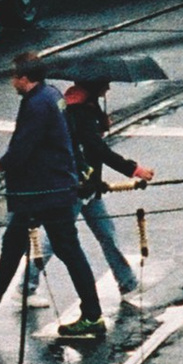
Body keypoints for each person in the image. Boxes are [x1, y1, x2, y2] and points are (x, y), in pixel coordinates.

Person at [0, 55, 105, 344]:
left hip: (46, 190)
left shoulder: (36, 104)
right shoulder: (52, 94)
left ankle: (93, 315)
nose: (12, 82)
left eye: (14, 77)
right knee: (13, 245)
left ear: (25, 77)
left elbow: (20, 149)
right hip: (42, 187)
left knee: (68, 248)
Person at [61, 74, 154, 313]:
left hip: (89, 185)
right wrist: (134, 169)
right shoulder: (80, 112)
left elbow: (89, 148)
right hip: (77, 186)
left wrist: (99, 123)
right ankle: (27, 284)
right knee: (57, 238)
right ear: (94, 86)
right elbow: (96, 150)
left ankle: (127, 282)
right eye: (105, 83)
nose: (109, 87)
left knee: (107, 234)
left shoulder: (84, 109)